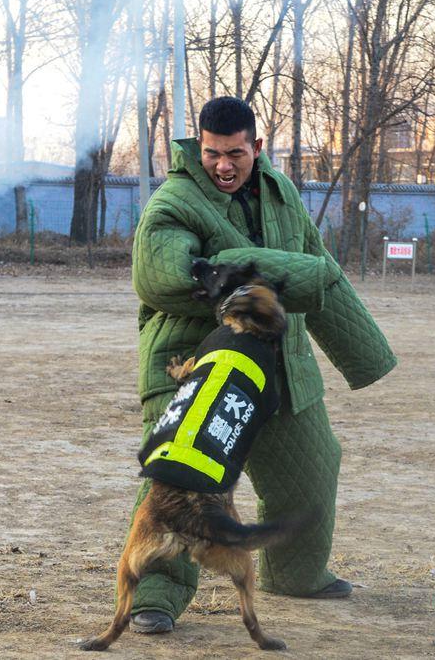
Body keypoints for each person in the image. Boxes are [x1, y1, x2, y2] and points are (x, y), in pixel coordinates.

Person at [128, 96, 397, 634]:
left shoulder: (281, 192)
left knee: (314, 466)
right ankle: (154, 595)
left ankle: (297, 573)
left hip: (279, 367)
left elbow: (322, 271)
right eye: (211, 154)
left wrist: (364, 351)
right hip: (197, 363)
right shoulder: (173, 202)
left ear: (255, 147)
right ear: (196, 148)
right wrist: (277, 273)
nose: (223, 165)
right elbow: (163, 276)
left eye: (234, 154)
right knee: (180, 483)